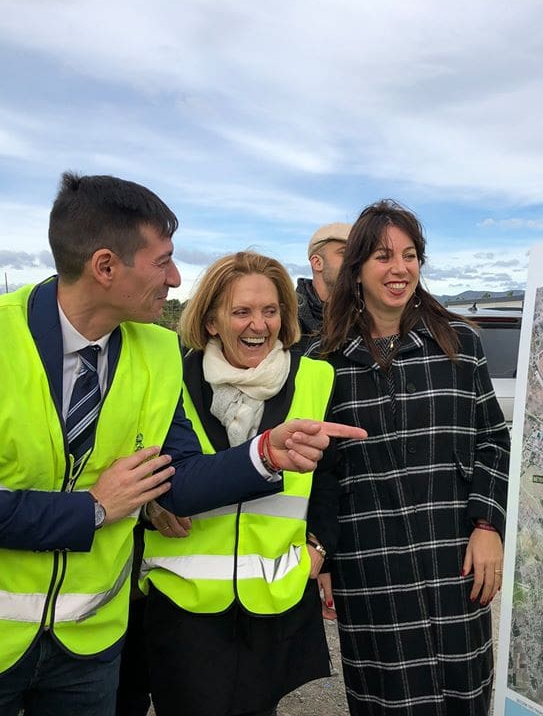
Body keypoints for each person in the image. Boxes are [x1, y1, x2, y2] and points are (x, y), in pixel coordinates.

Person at [0, 173, 364, 716]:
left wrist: (265, 454)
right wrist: (93, 508)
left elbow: (176, 479)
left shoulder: (156, 350)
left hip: (86, 646)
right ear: (105, 267)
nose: (175, 278)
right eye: (163, 262)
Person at [312, 200, 511, 715]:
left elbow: (493, 439)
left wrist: (487, 525)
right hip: (370, 568)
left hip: (454, 560)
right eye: (383, 256)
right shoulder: (323, 362)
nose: (399, 268)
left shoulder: (459, 345)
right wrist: (324, 554)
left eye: (409, 255)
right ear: (357, 268)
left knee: (464, 696)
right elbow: (320, 474)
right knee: (386, 701)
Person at [140, 251, 337, 716]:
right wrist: (151, 505)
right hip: (181, 602)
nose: (259, 325)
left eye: (270, 311)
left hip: (273, 599)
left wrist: (320, 547)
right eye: (241, 311)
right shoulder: (169, 377)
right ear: (210, 321)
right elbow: (135, 457)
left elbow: (333, 478)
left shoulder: (317, 378)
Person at [295, 222, 350, 352]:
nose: (355, 261)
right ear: (317, 262)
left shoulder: (370, 316)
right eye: (344, 253)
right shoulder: (284, 317)